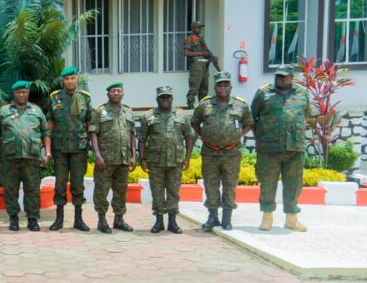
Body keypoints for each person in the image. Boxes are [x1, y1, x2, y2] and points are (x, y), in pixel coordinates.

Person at [191, 72, 254, 232]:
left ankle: (227, 218)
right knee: (210, 185)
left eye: (226, 84)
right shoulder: (205, 105)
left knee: (230, 185)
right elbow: (195, 122)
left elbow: (248, 122)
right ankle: (213, 217)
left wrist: (239, 135)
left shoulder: (241, 105)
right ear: (215, 87)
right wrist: (204, 135)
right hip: (210, 153)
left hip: (232, 152)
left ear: (231, 87)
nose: (223, 87)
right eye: (220, 84)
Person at [251, 65, 310, 232]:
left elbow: (305, 115)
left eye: (284, 77)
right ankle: (267, 218)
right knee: (268, 183)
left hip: (294, 148)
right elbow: (252, 117)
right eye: (277, 76)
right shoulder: (263, 93)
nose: (280, 79)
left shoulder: (302, 93)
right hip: (269, 148)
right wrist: (261, 137)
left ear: (292, 78)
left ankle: (291, 219)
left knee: (294, 184)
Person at [0, 81, 51, 231]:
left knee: (32, 189)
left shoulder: (37, 111)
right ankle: (13, 218)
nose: (21, 95)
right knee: (10, 190)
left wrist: (48, 153)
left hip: (31, 158)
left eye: (24, 92)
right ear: (14, 93)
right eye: (18, 92)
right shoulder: (4, 111)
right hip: (9, 158)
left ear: (28, 93)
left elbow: (46, 133)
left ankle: (33, 219)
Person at [138, 86, 196, 234]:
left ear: (172, 99)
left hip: (175, 161)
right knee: (157, 192)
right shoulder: (148, 116)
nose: (165, 100)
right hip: (155, 161)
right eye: (162, 97)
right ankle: (158, 221)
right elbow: (142, 139)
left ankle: (172, 221)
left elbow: (189, 137)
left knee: (173, 192)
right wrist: (142, 159)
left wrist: (187, 158)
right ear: (157, 99)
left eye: (168, 97)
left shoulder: (182, 115)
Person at [47, 66, 92, 231]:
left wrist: (91, 144)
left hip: (79, 148)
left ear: (77, 79)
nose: (70, 81)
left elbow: (89, 122)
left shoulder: (85, 98)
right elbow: (50, 121)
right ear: (63, 81)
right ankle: (59, 219)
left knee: (78, 184)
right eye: (66, 79)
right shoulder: (55, 97)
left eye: (72, 78)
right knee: (59, 184)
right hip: (60, 148)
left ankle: (78, 219)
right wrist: (48, 147)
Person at [89, 81, 136, 234]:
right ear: (108, 94)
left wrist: (134, 156)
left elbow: (132, 134)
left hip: (123, 159)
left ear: (123, 94)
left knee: (121, 190)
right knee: (102, 190)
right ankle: (102, 220)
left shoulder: (128, 111)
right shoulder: (100, 111)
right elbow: (94, 133)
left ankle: (119, 219)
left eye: (119, 91)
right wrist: (97, 155)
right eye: (113, 91)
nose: (116, 93)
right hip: (106, 159)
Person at [184, 21, 221, 109]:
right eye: (197, 27)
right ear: (192, 28)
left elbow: (209, 54)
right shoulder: (190, 38)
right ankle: (190, 104)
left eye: (200, 27)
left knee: (204, 89)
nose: (200, 29)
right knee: (194, 87)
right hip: (197, 65)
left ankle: (202, 106)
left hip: (205, 66)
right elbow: (186, 53)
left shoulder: (201, 39)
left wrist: (220, 70)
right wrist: (201, 52)